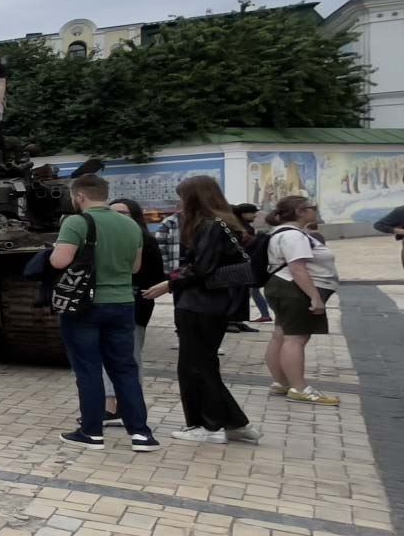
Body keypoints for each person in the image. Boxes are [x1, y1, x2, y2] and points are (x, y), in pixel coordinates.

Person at [143, 176, 260, 445]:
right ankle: (234, 422)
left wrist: (168, 283)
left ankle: (208, 426)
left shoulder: (209, 226)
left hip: (198, 303)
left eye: (182, 197)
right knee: (203, 364)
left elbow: (201, 268)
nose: (179, 203)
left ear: (194, 198)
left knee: (194, 366)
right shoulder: (224, 222)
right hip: (214, 303)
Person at [49, 175, 159, 452]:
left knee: (88, 370)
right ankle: (141, 434)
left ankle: (91, 431)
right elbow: (135, 268)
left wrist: (52, 253)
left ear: (79, 196)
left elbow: (60, 260)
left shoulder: (77, 222)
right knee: (125, 369)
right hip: (123, 304)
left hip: (84, 306)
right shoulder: (130, 224)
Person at [261, 197, 339, 406]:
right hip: (293, 290)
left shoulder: (282, 233)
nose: (316, 211)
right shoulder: (294, 236)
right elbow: (298, 268)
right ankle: (299, 387)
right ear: (301, 211)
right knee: (295, 339)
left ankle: (281, 382)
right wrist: (314, 297)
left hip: (281, 287)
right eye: (313, 208)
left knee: (281, 335)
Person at [105, 198, 165, 426]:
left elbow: (155, 277)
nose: (118, 217)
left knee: (130, 357)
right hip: (108, 303)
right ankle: (110, 408)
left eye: (123, 213)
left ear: (135, 216)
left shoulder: (145, 240)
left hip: (134, 304)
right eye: (113, 213)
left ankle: (129, 408)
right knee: (107, 356)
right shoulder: (104, 238)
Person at [228, 204, 266, 332]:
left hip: (245, 265)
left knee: (243, 294)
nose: (255, 215)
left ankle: (239, 320)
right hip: (234, 265)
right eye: (252, 213)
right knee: (234, 294)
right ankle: (230, 321)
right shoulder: (233, 226)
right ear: (242, 213)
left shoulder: (245, 226)